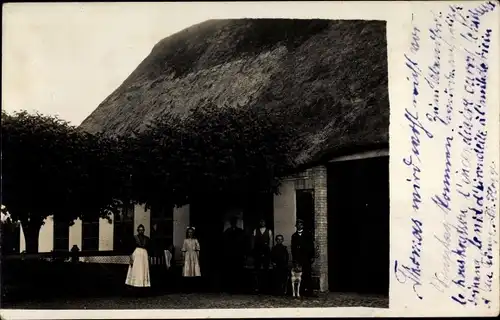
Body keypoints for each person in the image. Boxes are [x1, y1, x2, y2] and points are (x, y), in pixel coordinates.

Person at [291, 219, 315, 297]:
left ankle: (310, 292)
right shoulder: (294, 236)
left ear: (303, 226)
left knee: (307, 274)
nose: (299, 226)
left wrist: (312, 256)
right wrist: (294, 259)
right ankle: (300, 291)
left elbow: (311, 246)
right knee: (299, 275)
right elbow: (293, 248)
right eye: (298, 224)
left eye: (300, 224)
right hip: (298, 258)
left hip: (307, 257)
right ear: (296, 226)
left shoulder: (308, 234)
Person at [125, 224, 152, 294]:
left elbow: (149, 248)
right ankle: (135, 286)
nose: (141, 231)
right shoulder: (134, 238)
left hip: (144, 256)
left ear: (144, 231)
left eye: (142, 230)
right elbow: (130, 248)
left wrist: (149, 257)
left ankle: (143, 286)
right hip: (136, 255)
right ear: (137, 230)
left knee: (143, 270)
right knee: (136, 270)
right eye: (139, 230)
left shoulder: (147, 238)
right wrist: (131, 258)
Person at [222, 216, 245, 293]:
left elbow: (243, 243)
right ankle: (229, 288)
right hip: (229, 255)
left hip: (238, 255)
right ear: (231, 223)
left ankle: (238, 288)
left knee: (238, 271)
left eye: (234, 222)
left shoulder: (240, 231)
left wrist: (243, 253)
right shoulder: (227, 231)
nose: (233, 223)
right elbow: (224, 243)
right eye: (232, 222)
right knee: (229, 271)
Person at [252, 219, 273, 293]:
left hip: (266, 252)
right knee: (257, 269)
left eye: (263, 222)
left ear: (265, 223)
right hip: (257, 252)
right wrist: (253, 251)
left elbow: (270, 241)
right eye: (261, 222)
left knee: (266, 269)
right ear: (259, 223)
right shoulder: (255, 230)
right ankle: (257, 287)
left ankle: (265, 287)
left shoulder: (269, 231)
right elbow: (253, 241)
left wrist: (269, 251)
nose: (262, 223)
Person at [181, 227, 201, 292]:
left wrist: (198, 259)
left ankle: (194, 288)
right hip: (187, 256)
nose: (190, 233)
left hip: (194, 256)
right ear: (187, 233)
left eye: (191, 232)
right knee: (187, 270)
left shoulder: (195, 240)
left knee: (194, 270)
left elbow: (198, 250)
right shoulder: (185, 240)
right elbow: (183, 250)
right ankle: (187, 288)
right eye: (189, 232)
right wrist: (183, 259)